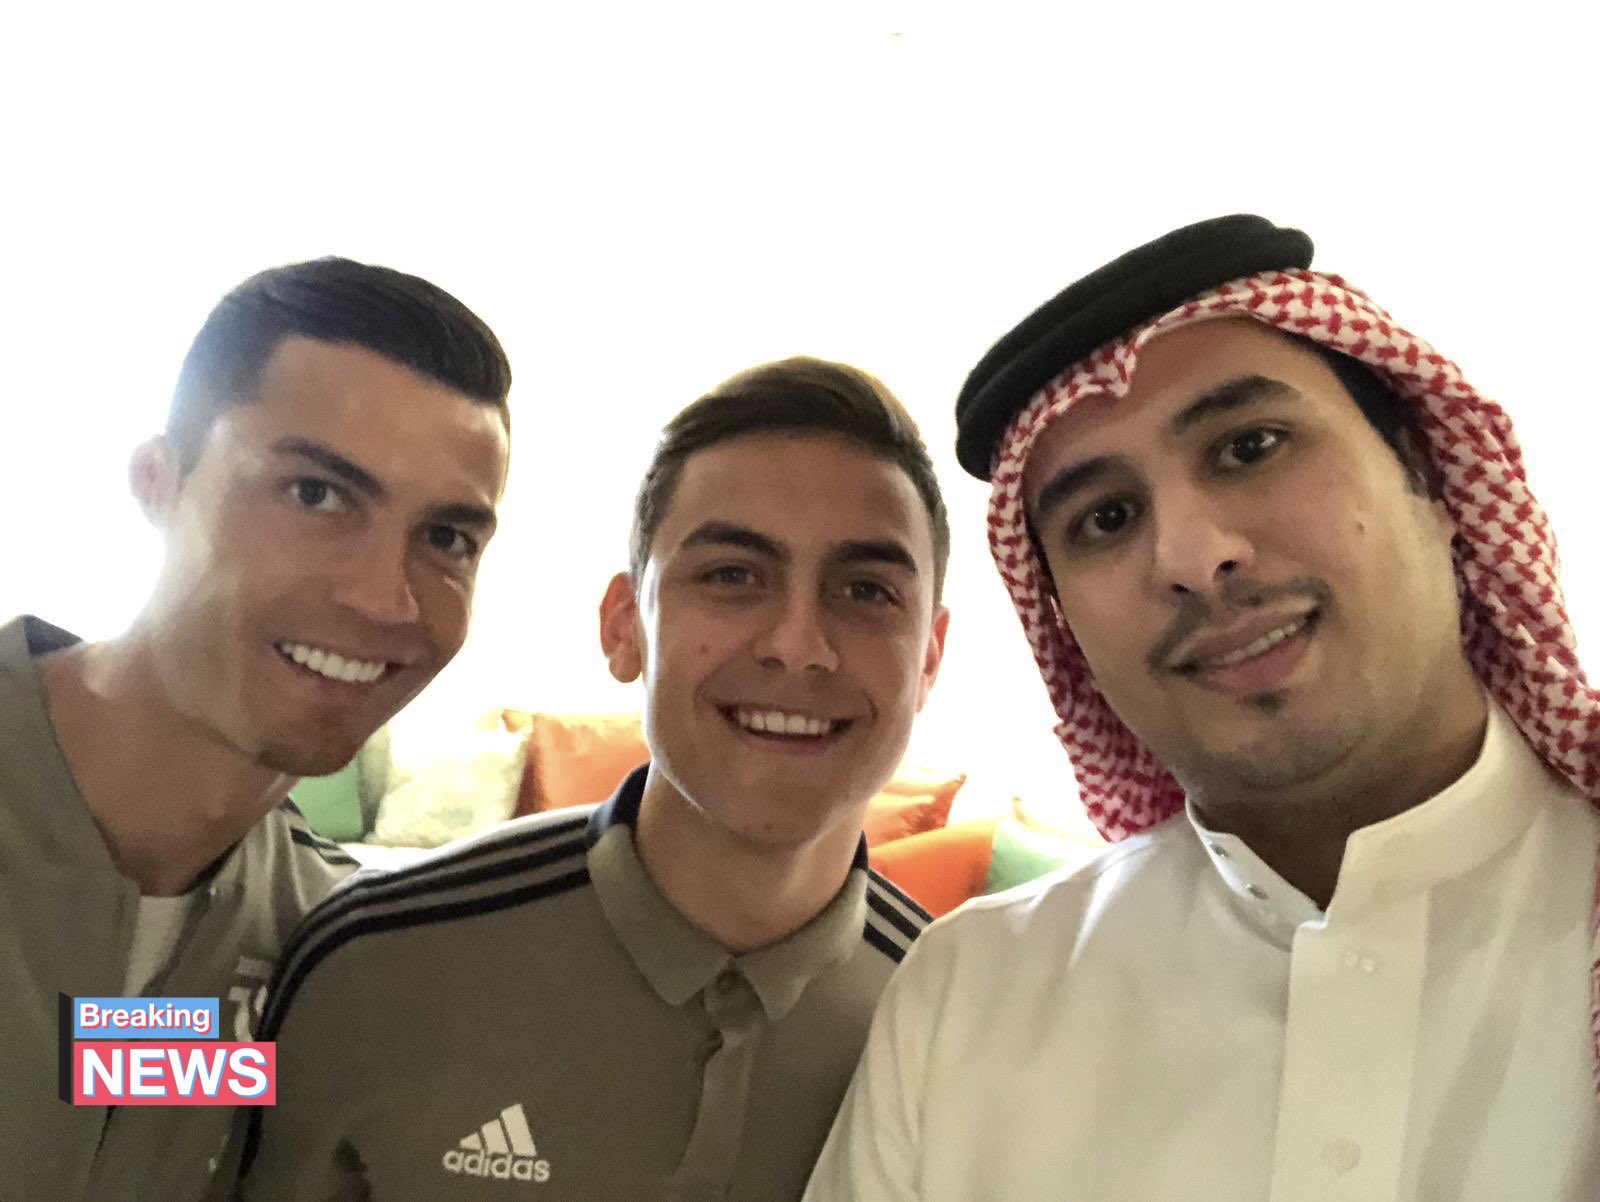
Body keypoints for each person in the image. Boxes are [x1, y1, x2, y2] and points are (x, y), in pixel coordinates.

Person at [805, 214, 1600, 1200]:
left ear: (1428, 476)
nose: (1190, 555)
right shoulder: (964, 999)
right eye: (1106, 518)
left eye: (1249, 447)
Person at [237, 356, 950, 1200]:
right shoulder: (372, 964)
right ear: (624, 628)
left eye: (866, 590)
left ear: (929, 656)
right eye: (732, 576)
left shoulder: (957, 1019)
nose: (798, 645)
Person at [0, 256, 513, 1200]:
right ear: (158, 482)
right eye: (315, 494)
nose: (384, 598)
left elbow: (104, 1073)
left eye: (446, 538)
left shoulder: (323, 948)